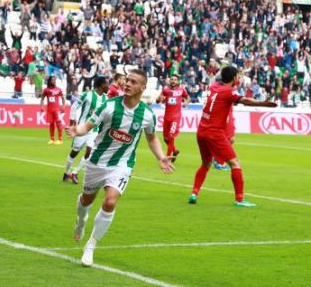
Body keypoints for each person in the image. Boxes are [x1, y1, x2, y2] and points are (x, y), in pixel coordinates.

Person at [65, 69, 175, 267]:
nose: (127, 84)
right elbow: (88, 126)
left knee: (109, 202)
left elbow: (152, 138)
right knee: (85, 201)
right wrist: (77, 130)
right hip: (97, 162)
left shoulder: (147, 115)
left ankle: (91, 245)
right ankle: (81, 221)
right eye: (127, 80)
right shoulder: (109, 106)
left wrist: (161, 157)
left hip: (122, 165)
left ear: (143, 87)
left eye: (133, 82)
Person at [189, 66, 278, 207]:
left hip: (201, 131)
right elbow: (245, 101)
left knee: (206, 164)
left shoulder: (214, 87)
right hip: (214, 132)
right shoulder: (228, 92)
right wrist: (264, 103)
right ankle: (240, 200)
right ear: (234, 78)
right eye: (238, 76)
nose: (239, 78)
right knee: (235, 164)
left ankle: (194, 193)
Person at [63, 76, 109, 185]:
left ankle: (75, 172)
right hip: (81, 129)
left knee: (90, 151)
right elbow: (74, 106)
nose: (108, 86)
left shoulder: (105, 99)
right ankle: (66, 172)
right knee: (74, 152)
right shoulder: (87, 95)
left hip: (94, 130)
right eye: (107, 83)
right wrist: (72, 123)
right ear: (101, 85)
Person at [155, 74, 190, 161]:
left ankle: (168, 158)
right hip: (167, 117)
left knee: (171, 136)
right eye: (172, 79)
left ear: (178, 81)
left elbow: (188, 97)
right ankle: (175, 151)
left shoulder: (181, 90)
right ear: (169, 81)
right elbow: (157, 100)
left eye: (175, 80)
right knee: (166, 139)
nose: (173, 81)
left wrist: (186, 102)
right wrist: (159, 98)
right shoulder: (166, 90)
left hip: (176, 117)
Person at [40, 76, 65, 145]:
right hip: (49, 109)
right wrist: (42, 106)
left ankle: (60, 139)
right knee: (51, 123)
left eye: (55, 80)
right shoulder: (46, 90)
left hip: (57, 109)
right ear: (49, 81)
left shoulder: (58, 89)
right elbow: (42, 98)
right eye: (52, 80)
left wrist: (63, 106)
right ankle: (52, 139)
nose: (54, 81)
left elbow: (63, 98)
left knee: (58, 123)